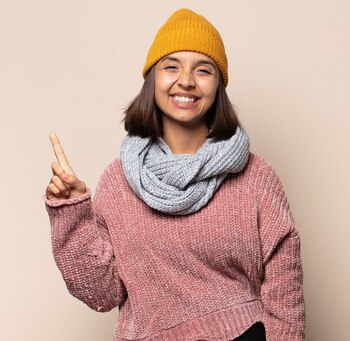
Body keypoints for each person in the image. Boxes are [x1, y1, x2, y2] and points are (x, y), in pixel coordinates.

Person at [44, 8, 305, 341]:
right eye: (171, 67)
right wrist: (71, 216)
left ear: (218, 86)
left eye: (203, 69)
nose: (186, 80)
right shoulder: (119, 181)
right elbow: (101, 293)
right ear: (153, 80)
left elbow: (285, 292)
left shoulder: (256, 177)